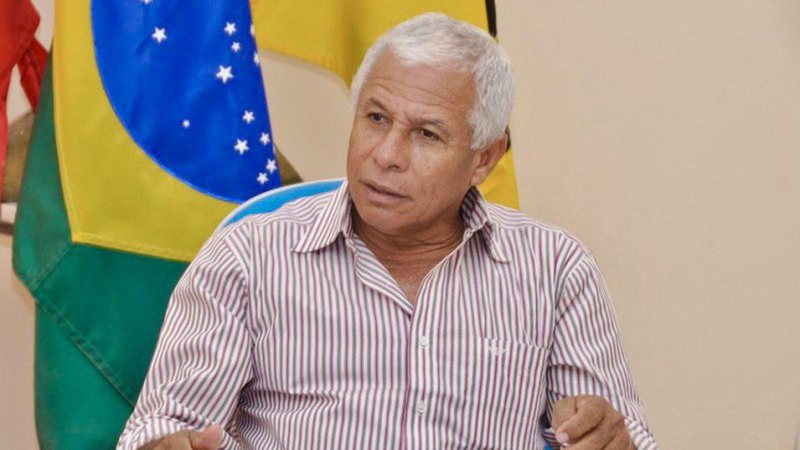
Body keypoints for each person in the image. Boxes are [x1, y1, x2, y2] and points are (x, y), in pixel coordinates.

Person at [117, 12, 658, 450]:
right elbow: (161, 426)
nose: (387, 155)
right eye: (376, 118)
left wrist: (612, 440)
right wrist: (165, 444)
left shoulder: (554, 268)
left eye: (426, 134)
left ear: (484, 159)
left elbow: (615, 434)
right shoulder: (250, 256)